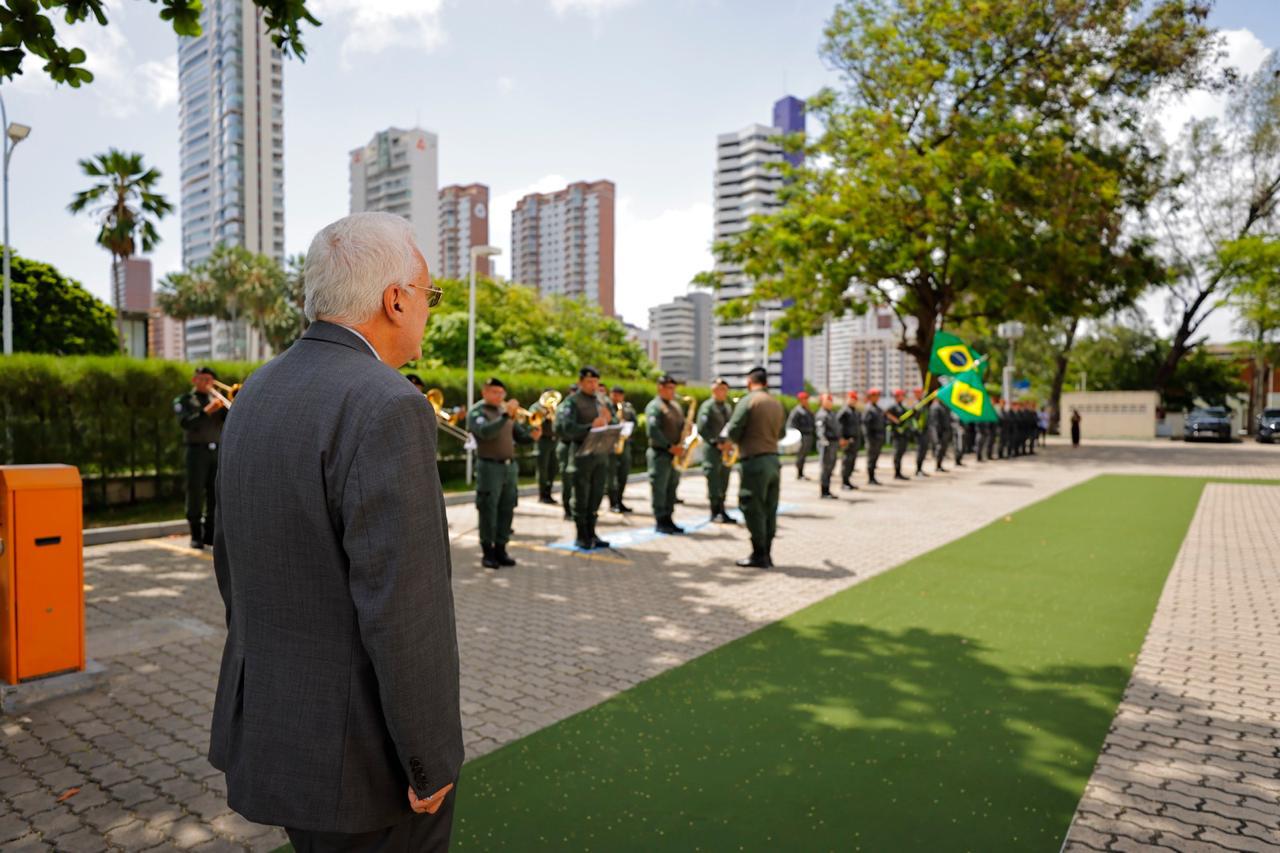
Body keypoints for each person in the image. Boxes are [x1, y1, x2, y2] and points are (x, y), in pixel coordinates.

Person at [210, 212, 461, 851]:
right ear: (395, 299)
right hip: (364, 760)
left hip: (281, 727)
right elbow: (403, 610)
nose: (427, 312)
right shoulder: (388, 403)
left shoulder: (259, 390)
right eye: (428, 296)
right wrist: (428, 757)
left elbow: (231, 565)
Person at [468, 378, 539, 570]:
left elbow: (519, 435)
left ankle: (501, 548)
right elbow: (485, 432)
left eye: (502, 393)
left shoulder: (504, 412)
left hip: (509, 467)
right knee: (488, 508)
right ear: (484, 393)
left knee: (507, 507)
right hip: (489, 467)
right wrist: (505, 417)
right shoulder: (478, 412)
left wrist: (532, 436)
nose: (499, 396)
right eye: (495, 392)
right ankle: (487, 551)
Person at [727, 366, 786, 568]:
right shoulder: (776, 403)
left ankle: (758, 553)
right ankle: (767, 553)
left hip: (754, 461)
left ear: (749, 381)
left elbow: (733, 429)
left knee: (752, 506)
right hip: (773, 460)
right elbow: (782, 434)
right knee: (770, 508)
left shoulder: (749, 400)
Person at [557, 369, 614, 550]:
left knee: (596, 495)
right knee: (581, 496)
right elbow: (565, 428)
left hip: (600, 454)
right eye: (589, 382)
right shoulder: (572, 402)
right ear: (580, 382)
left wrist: (609, 420)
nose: (593, 386)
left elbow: (610, 422)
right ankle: (581, 535)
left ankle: (592, 532)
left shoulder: (601, 400)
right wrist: (590, 426)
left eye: (596, 382)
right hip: (582, 455)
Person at [174, 366, 228, 550]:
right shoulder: (185, 400)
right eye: (202, 378)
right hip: (196, 452)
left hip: (216, 451)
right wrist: (206, 411)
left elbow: (230, 418)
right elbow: (186, 423)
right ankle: (195, 534)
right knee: (195, 491)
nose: (206, 382)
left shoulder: (218, 399)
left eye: (209, 378)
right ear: (194, 380)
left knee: (215, 493)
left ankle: (210, 534)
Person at [645, 375, 686, 535]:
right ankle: (660, 520)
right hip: (660, 453)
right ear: (660, 388)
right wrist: (669, 446)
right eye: (669, 388)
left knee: (671, 488)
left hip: (674, 455)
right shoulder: (655, 406)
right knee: (659, 488)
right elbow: (653, 431)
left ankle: (669, 518)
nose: (672, 392)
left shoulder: (675, 406)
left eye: (673, 388)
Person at [698, 378, 737, 523]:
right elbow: (702, 428)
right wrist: (715, 443)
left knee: (724, 480)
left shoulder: (727, 407)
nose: (723, 392)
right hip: (713, 449)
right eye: (720, 389)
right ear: (713, 390)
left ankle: (722, 509)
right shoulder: (707, 406)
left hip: (726, 449)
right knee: (714, 479)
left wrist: (730, 443)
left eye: (725, 389)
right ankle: (714, 512)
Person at [606, 386, 637, 514]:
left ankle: (620, 500)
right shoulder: (605, 406)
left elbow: (634, 423)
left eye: (619, 395)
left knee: (623, 474)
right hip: (610, 445)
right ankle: (613, 503)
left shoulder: (627, 408)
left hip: (624, 444)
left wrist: (628, 430)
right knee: (611, 475)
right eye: (614, 394)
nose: (616, 397)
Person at [530, 388, 560, 505]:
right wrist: (544, 415)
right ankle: (542, 494)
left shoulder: (555, 407)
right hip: (542, 441)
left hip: (554, 440)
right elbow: (533, 422)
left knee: (553, 468)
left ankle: (549, 492)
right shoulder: (536, 407)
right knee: (543, 468)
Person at [555, 383, 579, 520]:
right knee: (568, 479)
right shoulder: (565, 407)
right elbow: (561, 428)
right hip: (566, 446)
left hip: (577, 446)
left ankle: (576, 508)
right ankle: (567, 509)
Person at [815, 392, 842, 499]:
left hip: (833, 444)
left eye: (831, 400)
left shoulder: (831, 413)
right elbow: (820, 429)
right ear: (822, 402)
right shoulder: (822, 414)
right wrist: (823, 440)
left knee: (830, 467)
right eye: (827, 400)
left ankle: (827, 490)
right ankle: (824, 491)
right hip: (826, 444)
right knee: (825, 468)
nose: (830, 402)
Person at [787, 391, 816, 480]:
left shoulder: (808, 410)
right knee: (800, 455)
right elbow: (791, 425)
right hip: (801, 436)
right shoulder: (796, 411)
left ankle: (801, 473)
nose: (806, 401)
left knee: (804, 455)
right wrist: (795, 437)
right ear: (800, 400)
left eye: (807, 399)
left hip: (809, 435)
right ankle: (799, 474)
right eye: (804, 399)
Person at [837, 391, 862, 490]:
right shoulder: (844, 411)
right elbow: (838, 425)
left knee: (852, 462)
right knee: (846, 461)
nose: (853, 401)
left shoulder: (855, 411)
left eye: (855, 399)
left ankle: (848, 481)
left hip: (854, 440)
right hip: (847, 440)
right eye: (851, 399)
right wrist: (841, 438)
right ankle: (844, 483)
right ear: (847, 399)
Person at [885, 388, 911, 481]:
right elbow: (886, 414)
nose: (902, 397)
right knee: (897, 453)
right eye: (900, 395)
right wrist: (894, 420)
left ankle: (899, 472)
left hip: (903, 434)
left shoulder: (903, 407)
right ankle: (897, 473)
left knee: (901, 453)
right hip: (896, 434)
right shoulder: (892, 407)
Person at [862, 388, 886, 485]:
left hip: (879, 437)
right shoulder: (868, 409)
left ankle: (873, 477)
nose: (877, 398)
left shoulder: (878, 409)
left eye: (877, 396)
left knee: (875, 458)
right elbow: (865, 426)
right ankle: (870, 478)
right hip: (872, 438)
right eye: (875, 395)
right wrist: (868, 439)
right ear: (870, 397)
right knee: (871, 459)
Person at [912, 387, 932, 478]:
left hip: (925, 430)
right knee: (920, 451)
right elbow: (913, 419)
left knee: (924, 450)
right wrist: (917, 429)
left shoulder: (923, 403)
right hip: (919, 431)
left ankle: (920, 469)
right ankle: (918, 470)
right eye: (918, 393)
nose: (920, 394)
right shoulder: (916, 405)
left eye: (921, 392)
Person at [931, 396, 952, 471]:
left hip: (945, 431)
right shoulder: (935, 407)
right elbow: (934, 423)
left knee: (943, 449)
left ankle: (940, 465)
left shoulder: (945, 406)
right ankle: (937, 466)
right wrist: (936, 435)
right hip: (938, 432)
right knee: (939, 449)